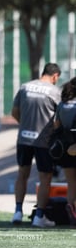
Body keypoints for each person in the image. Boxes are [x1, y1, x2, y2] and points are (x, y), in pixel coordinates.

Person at [11, 62, 61, 227]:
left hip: (23, 139)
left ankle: (17, 212)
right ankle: (39, 216)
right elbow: (58, 120)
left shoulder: (25, 87)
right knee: (45, 177)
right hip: (43, 142)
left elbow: (14, 112)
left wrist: (24, 125)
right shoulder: (55, 91)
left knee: (22, 174)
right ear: (55, 76)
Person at [52, 77, 76, 226]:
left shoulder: (62, 104)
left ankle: (70, 205)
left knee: (71, 182)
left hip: (65, 148)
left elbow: (56, 125)